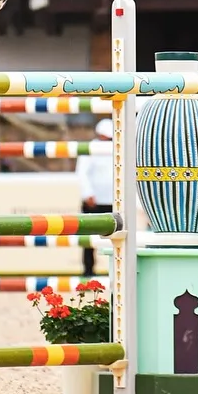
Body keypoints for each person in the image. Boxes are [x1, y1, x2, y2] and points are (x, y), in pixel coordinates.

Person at [76, 118, 116, 278]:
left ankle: (115, 271)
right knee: (88, 239)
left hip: (113, 200)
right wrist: (87, 194)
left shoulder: (118, 148)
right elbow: (82, 173)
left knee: (116, 239)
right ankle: (88, 271)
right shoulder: (90, 148)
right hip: (93, 201)